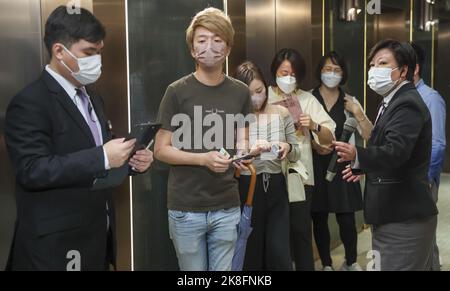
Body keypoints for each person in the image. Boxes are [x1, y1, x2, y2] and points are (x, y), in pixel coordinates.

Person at [4, 6, 153, 271]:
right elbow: (32, 170)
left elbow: (95, 152)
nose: (96, 60)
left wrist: (130, 161)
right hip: (54, 248)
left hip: (95, 237)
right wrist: (103, 157)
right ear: (59, 51)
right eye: (89, 53)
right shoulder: (30, 102)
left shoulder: (92, 97)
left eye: (99, 52)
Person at [154, 8, 256, 271]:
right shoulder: (176, 92)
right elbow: (161, 150)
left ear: (228, 46)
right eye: (201, 40)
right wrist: (203, 159)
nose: (209, 46)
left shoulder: (241, 92)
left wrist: (243, 157)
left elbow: (242, 139)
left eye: (217, 39)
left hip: (227, 206)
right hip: (186, 208)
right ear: (191, 49)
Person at [335, 39, 438, 271]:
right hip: (391, 214)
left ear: (403, 70)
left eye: (382, 64)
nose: (374, 70)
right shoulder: (391, 101)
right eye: (372, 65)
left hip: (403, 217)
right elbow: (388, 150)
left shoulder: (407, 103)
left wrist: (357, 154)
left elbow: (396, 152)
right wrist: (362, 166)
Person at [268, 48, 336, 271]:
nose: (288, 78)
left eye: (293, 74)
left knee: (300, 232)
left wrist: (314, 126)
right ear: (275, 72)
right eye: (283, 72)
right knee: (274, 235)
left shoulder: (307, 99)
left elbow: (330, 136)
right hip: (269, 175)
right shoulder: (265, 96)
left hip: (300, 177)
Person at [234, 61, 300, 271]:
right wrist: (248, 153)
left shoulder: (281, 113)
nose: (255, 97)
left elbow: (296, 152)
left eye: (259, 91)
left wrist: (286, 147)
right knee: (250, 253)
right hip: (246, 188)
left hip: (276, 187)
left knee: (279, 252)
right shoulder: (235, 116)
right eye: (248, 93)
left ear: (266, 87)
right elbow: (228, 158)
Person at [310, 52, 364, 271]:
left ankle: (350, 261)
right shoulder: (308, 98)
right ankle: (326, 264)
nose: (331, 74)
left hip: (343, 164)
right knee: (319, 217)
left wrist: (358, 112)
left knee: (347, 218)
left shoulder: (349, 101)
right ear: (319, 72)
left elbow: (369, 134)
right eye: (327, 69)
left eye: (337, 70)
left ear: (343, 74)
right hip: (315, 163)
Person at [411, 42, 446, 271]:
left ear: (412, 68)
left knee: (423, 232)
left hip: (421, 179)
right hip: (405, 179)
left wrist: (424, 180)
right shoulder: (399, 97)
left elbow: (437, 144)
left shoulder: (430, 98)